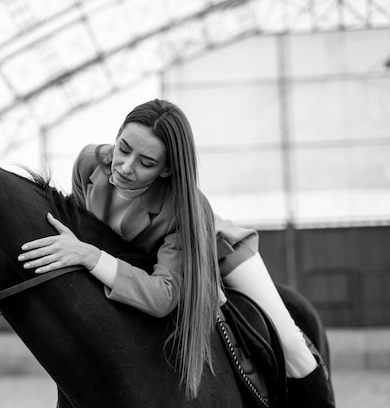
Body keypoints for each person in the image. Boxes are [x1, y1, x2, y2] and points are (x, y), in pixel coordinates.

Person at [17, 99, 334, 406]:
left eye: (146, 163)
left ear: (167, 171)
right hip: (147, 258)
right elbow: (88, 231)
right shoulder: (89, 163)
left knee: (292, 343)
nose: (126, 167)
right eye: (124, 148)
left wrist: (89, 256)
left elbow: (165, 294)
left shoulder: (185, 210)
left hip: (220, 252)